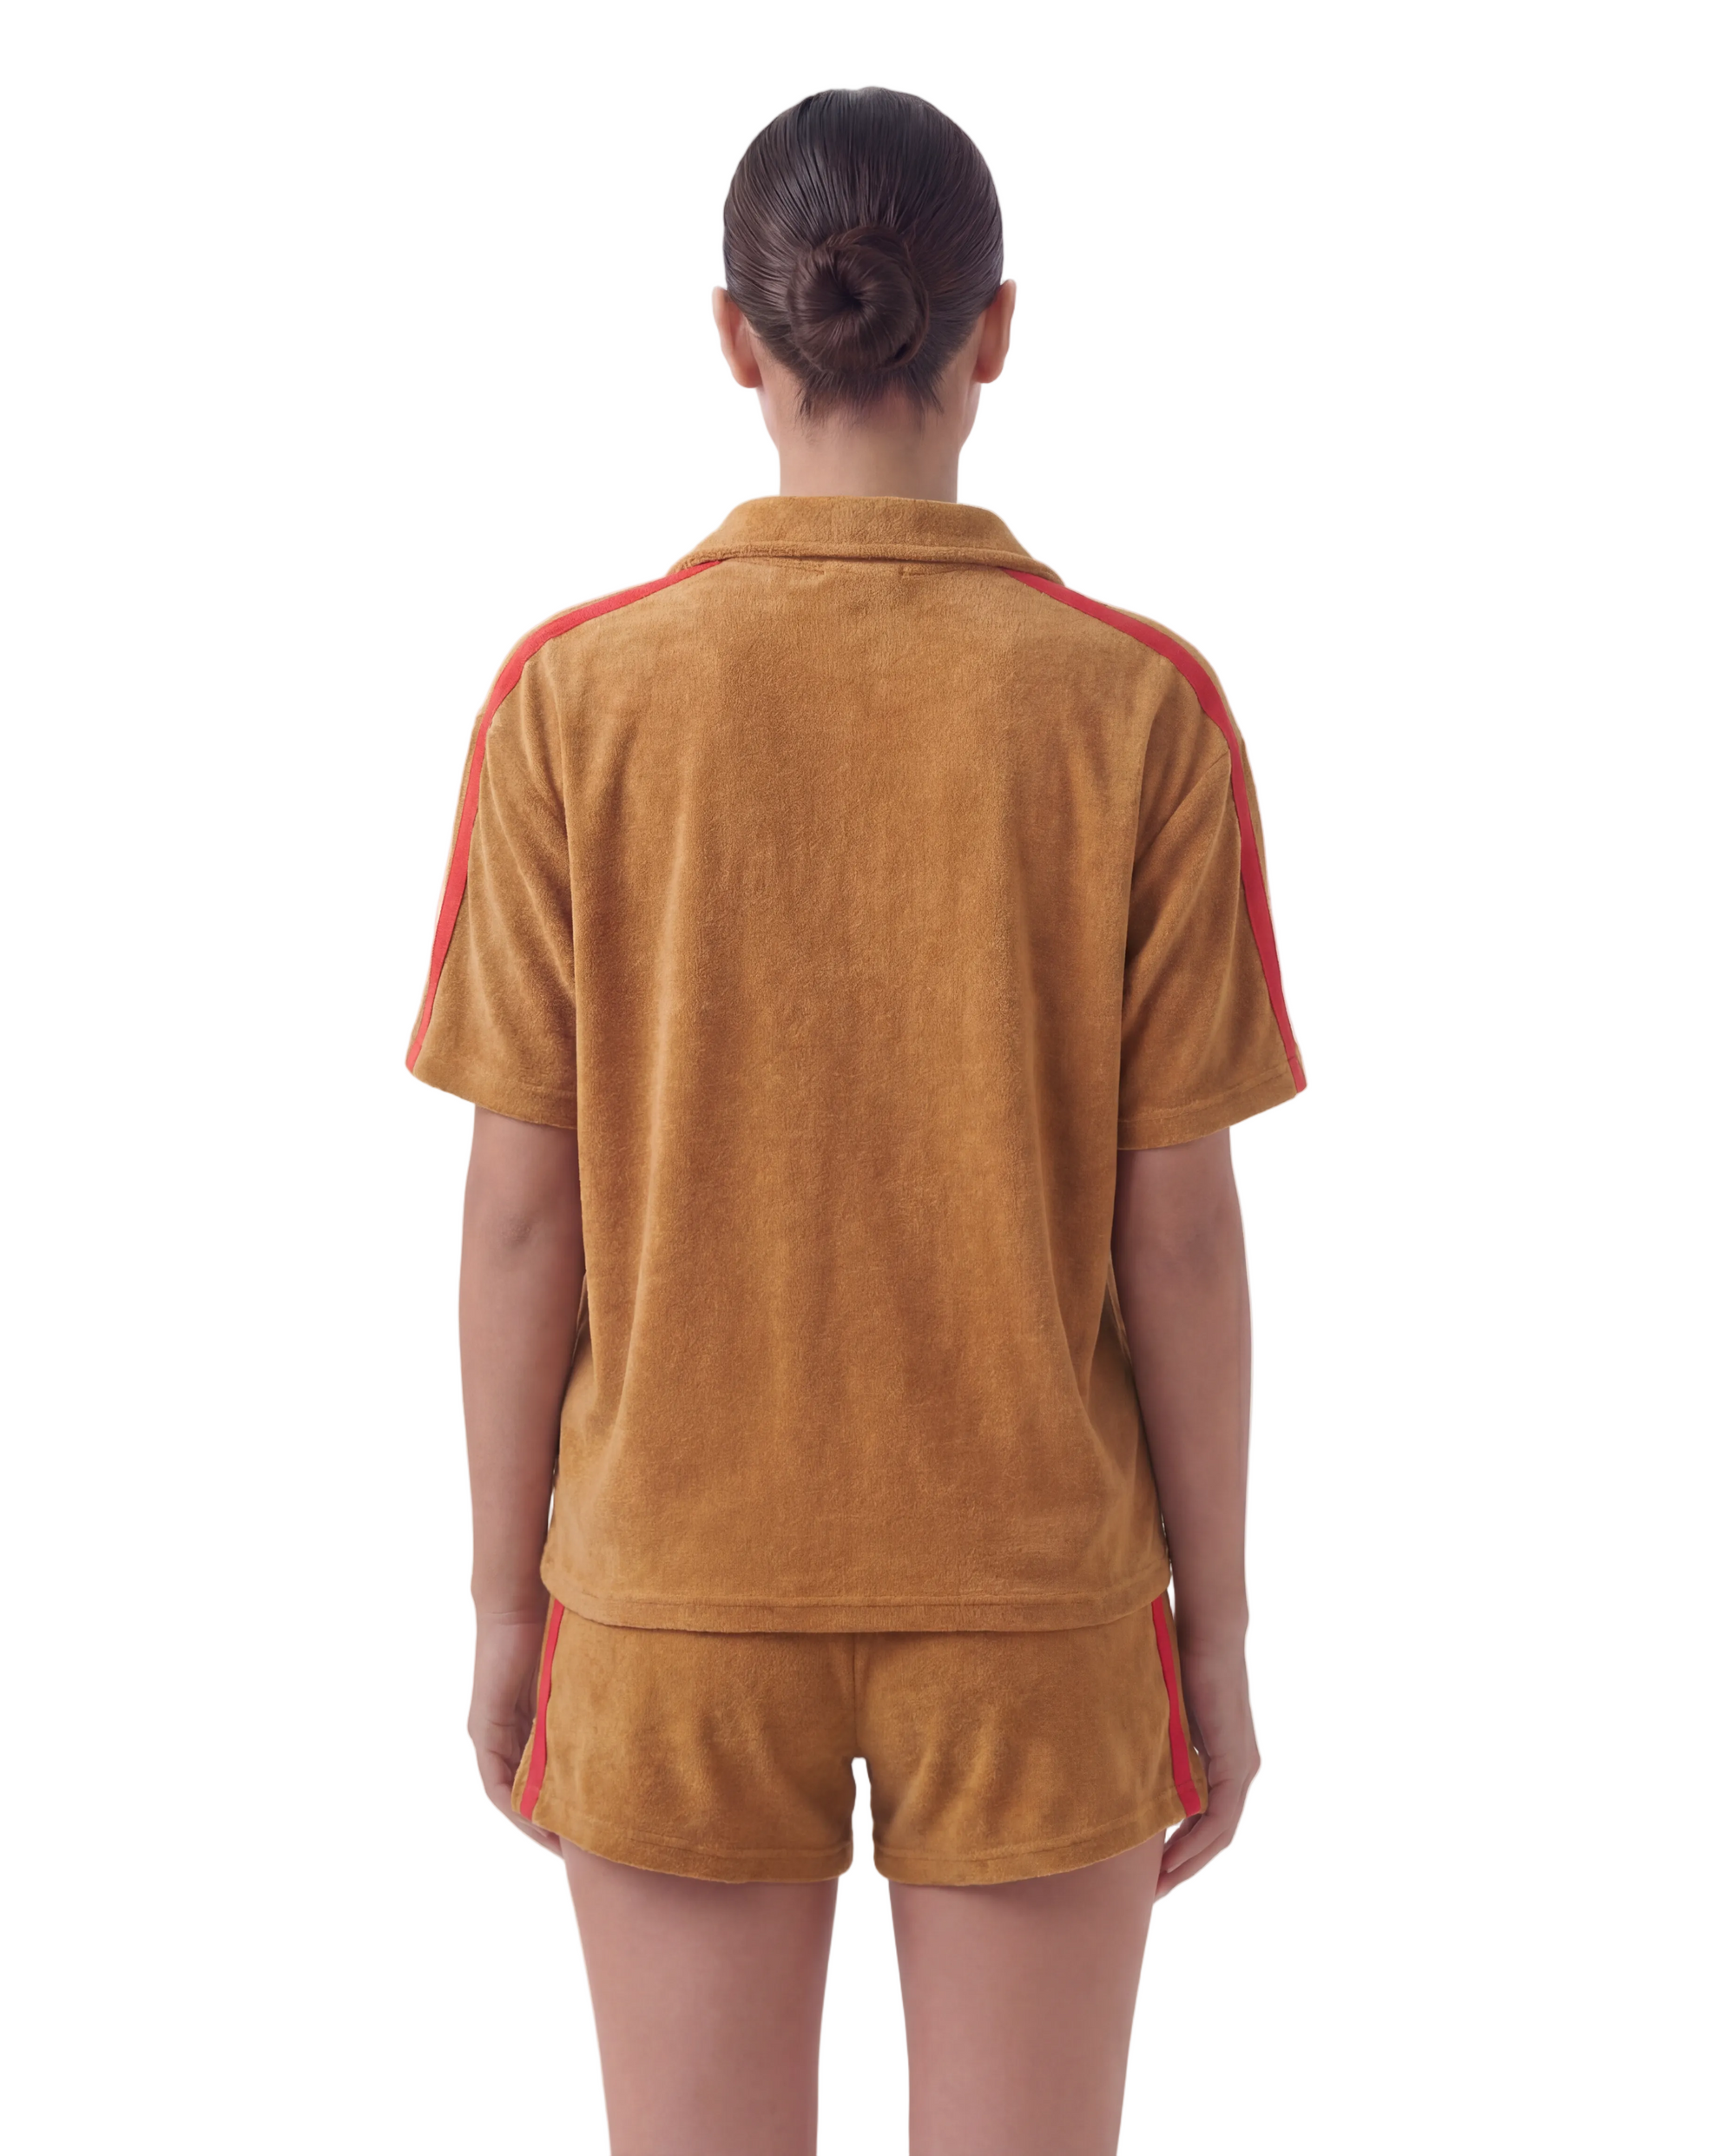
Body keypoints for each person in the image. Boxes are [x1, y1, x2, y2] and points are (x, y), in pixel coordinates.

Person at [406, 85, 1306, 2156]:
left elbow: (520, 1218)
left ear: (735, 336)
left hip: (673, 1592)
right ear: (995, 328)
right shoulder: (1134, 706)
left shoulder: (575, 699)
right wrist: (1219, 1627)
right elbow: (1179, 1233)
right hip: (1036, 1600)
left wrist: (505, 1601)